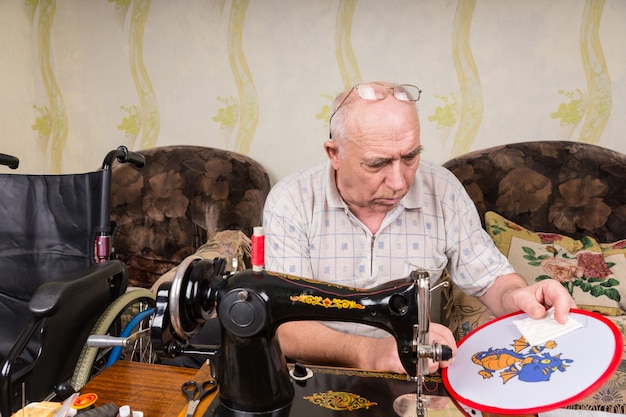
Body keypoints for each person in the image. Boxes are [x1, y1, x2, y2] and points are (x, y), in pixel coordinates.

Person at [262, 81, 577, 375]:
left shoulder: (441, 190)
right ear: (335, 154)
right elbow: (286, 327)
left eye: (410, 157)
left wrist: (519, 295)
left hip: (411, 375)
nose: (400, 182)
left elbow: (490, 280)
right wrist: (371, 353)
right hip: (315, 377)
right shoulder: (292, 202)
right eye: (377, 163)